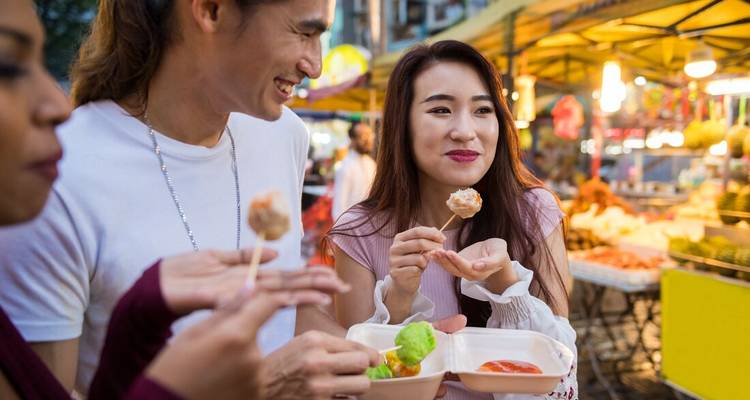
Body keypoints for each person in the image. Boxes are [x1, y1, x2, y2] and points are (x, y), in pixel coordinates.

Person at [0, 0, 380, 398]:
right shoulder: (51, 174)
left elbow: (281, 320)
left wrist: (381, 359)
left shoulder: (285, 134)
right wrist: (262, 386)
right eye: (305, 32)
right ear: (212, 10)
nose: (315, 66)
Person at [327, 41, 578, 399]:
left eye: (482, 110)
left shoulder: (535, 213)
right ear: (403, 124)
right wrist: (398, 297)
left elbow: (560, 376)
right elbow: (359, 385)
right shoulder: (360, 233)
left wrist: (503, 281)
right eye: (441, 109)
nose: (464, 130)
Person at [332, 122, 377, 219]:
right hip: (351, 226)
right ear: (352, 140)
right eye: (363, 136)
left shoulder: (371, 164)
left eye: (370, 135)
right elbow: (338, 207)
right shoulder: (346, 166)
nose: (368, 140)